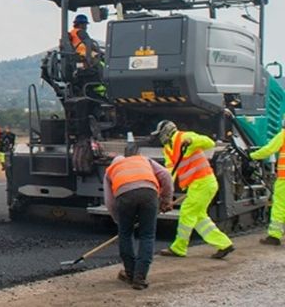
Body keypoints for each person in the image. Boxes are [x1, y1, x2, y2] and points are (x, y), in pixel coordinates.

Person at [150, 120, 234, 259]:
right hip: (196, 185)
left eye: (160, 134)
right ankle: (224, 244)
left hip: (204, 182)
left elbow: (209, 142)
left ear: (167, 132)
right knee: (199, 218)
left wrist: (192, 141)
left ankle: (179, 248)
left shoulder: (185, 137)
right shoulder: (167, 149)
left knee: (187, 212)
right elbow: (171, 172)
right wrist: (165, 195)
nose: (159, 138)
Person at [103, 141, 174, 290]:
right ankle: (140, 278)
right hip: (149, 193)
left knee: (125, 234)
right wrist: (166, 200)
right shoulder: (144, 160)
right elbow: (166, 174)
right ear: (136, 154)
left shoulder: (111, 169)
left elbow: (109, 201)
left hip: (124, 195)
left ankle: (130, 274)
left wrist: (118, 220)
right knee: (147, 236)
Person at [248, 120, 285, 245]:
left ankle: (274, 236)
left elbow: (269, 150)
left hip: (284, 179)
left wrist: (252, 156)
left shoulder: (283, 134)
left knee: (280, 206)